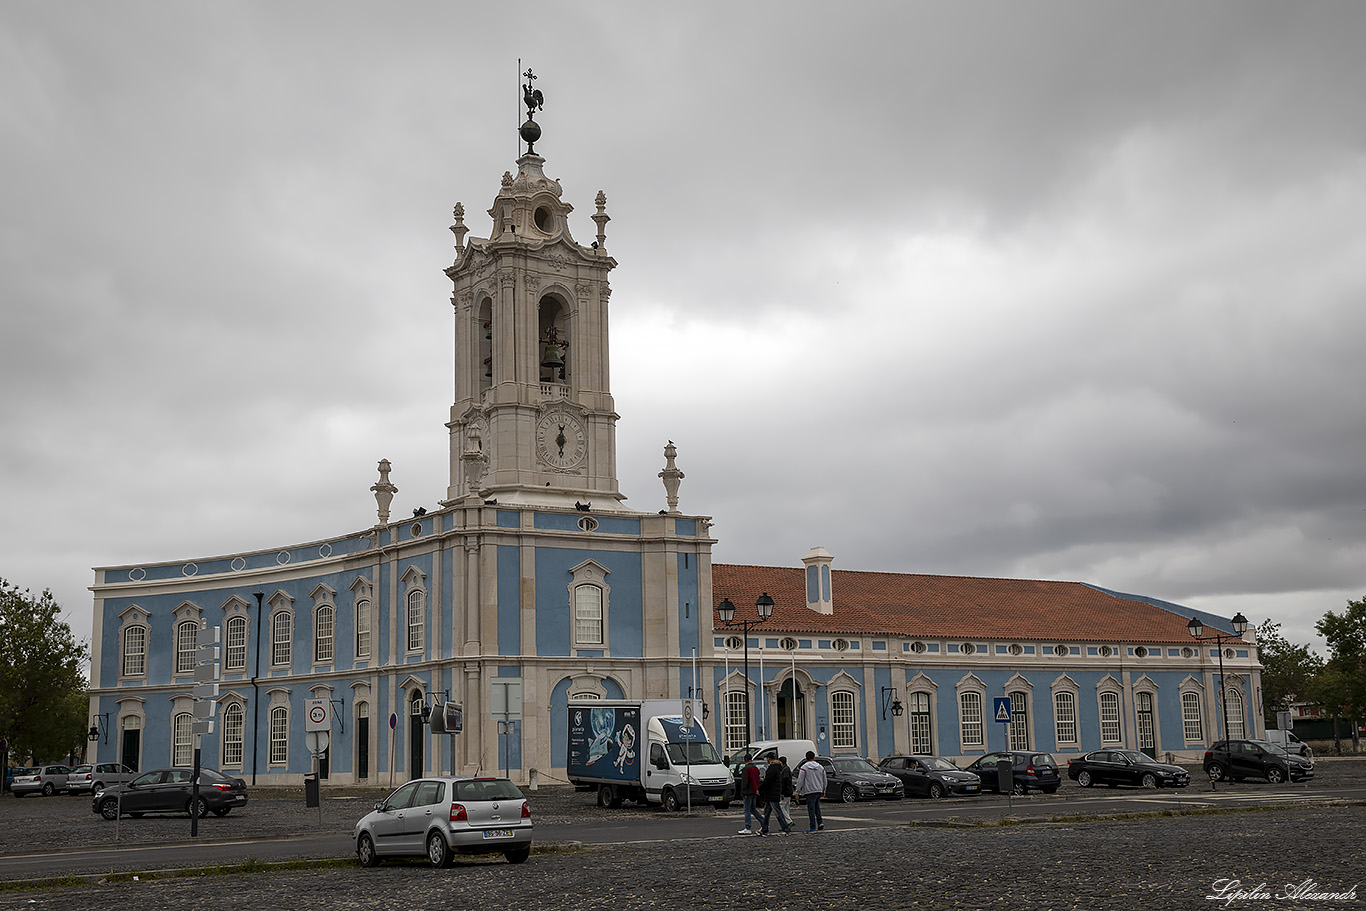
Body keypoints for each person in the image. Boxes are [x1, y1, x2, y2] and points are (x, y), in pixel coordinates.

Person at [759, 755, 792, 835]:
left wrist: (760, 788)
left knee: (778, 812)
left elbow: (767, 781)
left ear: (769, 759)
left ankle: (785, 828)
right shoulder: (778, 768)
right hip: (773, 793)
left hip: (771, 794)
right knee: (767, 813)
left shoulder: (772, 768)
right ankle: (764, 829)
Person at [795, 750, 827, 832]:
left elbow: (800, 781)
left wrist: (797, 792)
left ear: (806, 758)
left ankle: (812, 826)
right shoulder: (820, 767)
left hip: (809, 791)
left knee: (811, 809)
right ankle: (820, 822)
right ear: (814, 757)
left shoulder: (804, 767)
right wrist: (824, 789)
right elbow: (824, 780)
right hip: (818, 790)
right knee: (817, 808)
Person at [737, 757, 762, 835]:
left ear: (744, 760)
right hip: (755, 791)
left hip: (748, 792)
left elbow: (745, 781)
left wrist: (743, 792)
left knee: (747, 809)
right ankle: (763, 822)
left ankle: (748, 827)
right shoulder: (756, 769)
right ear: (751, 760)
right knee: (753, 809)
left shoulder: (746, 769)